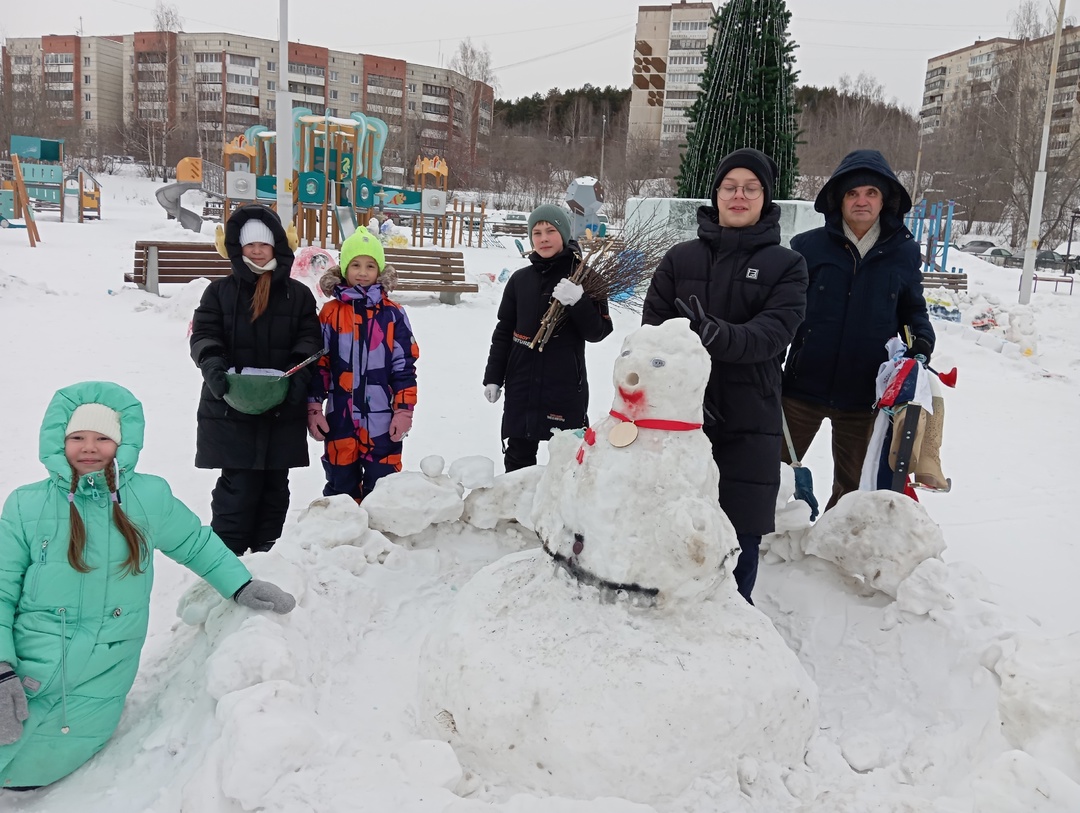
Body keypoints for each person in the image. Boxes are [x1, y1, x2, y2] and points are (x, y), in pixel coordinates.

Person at [0, 381, 295, 791]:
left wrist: (240, 584)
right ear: (57, 440)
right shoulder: (25, 504)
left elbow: (195, 542)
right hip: (32, 652)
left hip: (106, 666)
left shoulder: (147, 497)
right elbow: (1, 588)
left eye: (103, 437)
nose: (89, 448)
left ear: (123, 442)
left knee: (34, 765)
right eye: (77, 437)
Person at [642, 148, 808, 604]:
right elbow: (652, 338)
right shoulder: (679, 260)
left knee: (739, 533)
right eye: (730, 187)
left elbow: (772, 335)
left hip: (748, 420)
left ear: (765, 197)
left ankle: (735, 624)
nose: (739, 195)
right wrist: (682, 365)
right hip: (679, 418)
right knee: (672, 522)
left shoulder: (787, 265)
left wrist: (713, 335)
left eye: (750, 188)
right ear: (715, 194)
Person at [782, 149, 935, 511]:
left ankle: (835, 549)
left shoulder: (904, 253)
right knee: (775, 470)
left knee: (853, 485)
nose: (861, 201)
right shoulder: (807, 247)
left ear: (886, 200)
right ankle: (770, 540)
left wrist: (922, 343)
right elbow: (784, 310)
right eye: (852, 193)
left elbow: (913, 309)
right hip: (802, 387)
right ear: (839, 199)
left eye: (871, 193)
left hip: (864, 393)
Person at [190, 205, 322, 555]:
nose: (258, 250)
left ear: (278, 244)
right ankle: (227, 555)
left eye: (264, 243)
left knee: (275, 483)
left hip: (282, 408)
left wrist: (296, 378)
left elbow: (309, 340)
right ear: (238, 247)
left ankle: (267, 553)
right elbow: (205, 334)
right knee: (239, 483)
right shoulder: (219, 292)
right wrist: (214, 368)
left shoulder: (298, 294)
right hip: (231, 406)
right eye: (250, 245)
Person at [483, 204, 613, 472]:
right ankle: (517, 511)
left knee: (568, 459)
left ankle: (563, 511)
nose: (543, 238)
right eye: (537, 232)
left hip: (564, 384)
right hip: (522, 381)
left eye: (551, 230)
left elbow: (598, 332)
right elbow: (504, 330)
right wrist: (494, 376)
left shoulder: (586, 279)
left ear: (564, 234)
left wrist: (578, 301)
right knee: (518, 455)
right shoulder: (520, 280)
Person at [308, 231, 419, 501]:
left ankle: (380, 535)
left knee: (382, 487)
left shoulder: (393, 314)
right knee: (339, 484)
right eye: (355, 265)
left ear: (379, 270)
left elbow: (404, 367)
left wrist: (404, 410)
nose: (362, 272)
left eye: (370, 266)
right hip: (340, 417)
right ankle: (342, 533)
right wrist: (313, 407)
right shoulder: (330, 313)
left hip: (382, 419)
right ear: (344, 268)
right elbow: (319, 365)